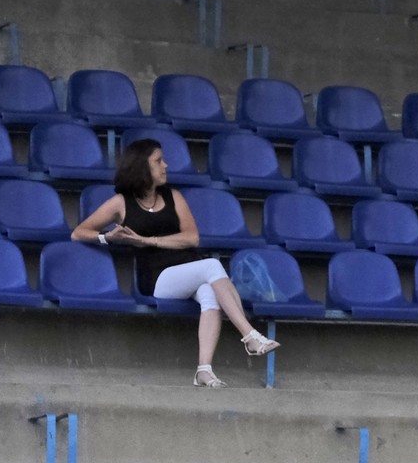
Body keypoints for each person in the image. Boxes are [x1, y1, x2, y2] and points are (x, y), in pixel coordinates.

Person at [73, 139, 279, 387]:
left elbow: (192, 238)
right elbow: (79, 233)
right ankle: (249, 335)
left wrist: (148, 240)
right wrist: (107, 237)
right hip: (157, 278)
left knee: (210, 294)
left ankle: (204, 370)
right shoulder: (121, 202)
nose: (165, 165)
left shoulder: (174, 196)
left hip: (188, 270)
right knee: (213, 266)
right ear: (142, 167)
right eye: (158, 161)